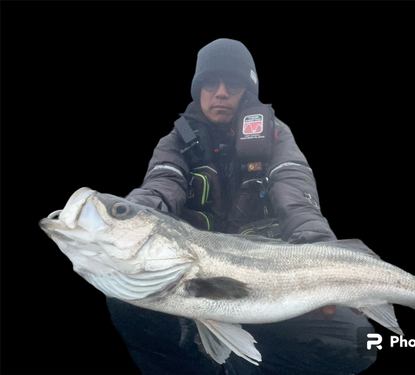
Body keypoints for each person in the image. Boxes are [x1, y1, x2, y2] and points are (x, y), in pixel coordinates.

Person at [107, 38, 377, 375]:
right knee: (125, 300)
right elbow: (159, 190)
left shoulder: (276, 134)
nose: (220, 92)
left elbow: (298, 201)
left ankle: (245, 371)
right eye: (210, 82)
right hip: (193, 278)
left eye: (232, 83)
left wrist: (324, 264)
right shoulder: (174, 142)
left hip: (268, 280)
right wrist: (126, 218)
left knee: (363, 341)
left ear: (246, 90)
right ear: (198, 89)